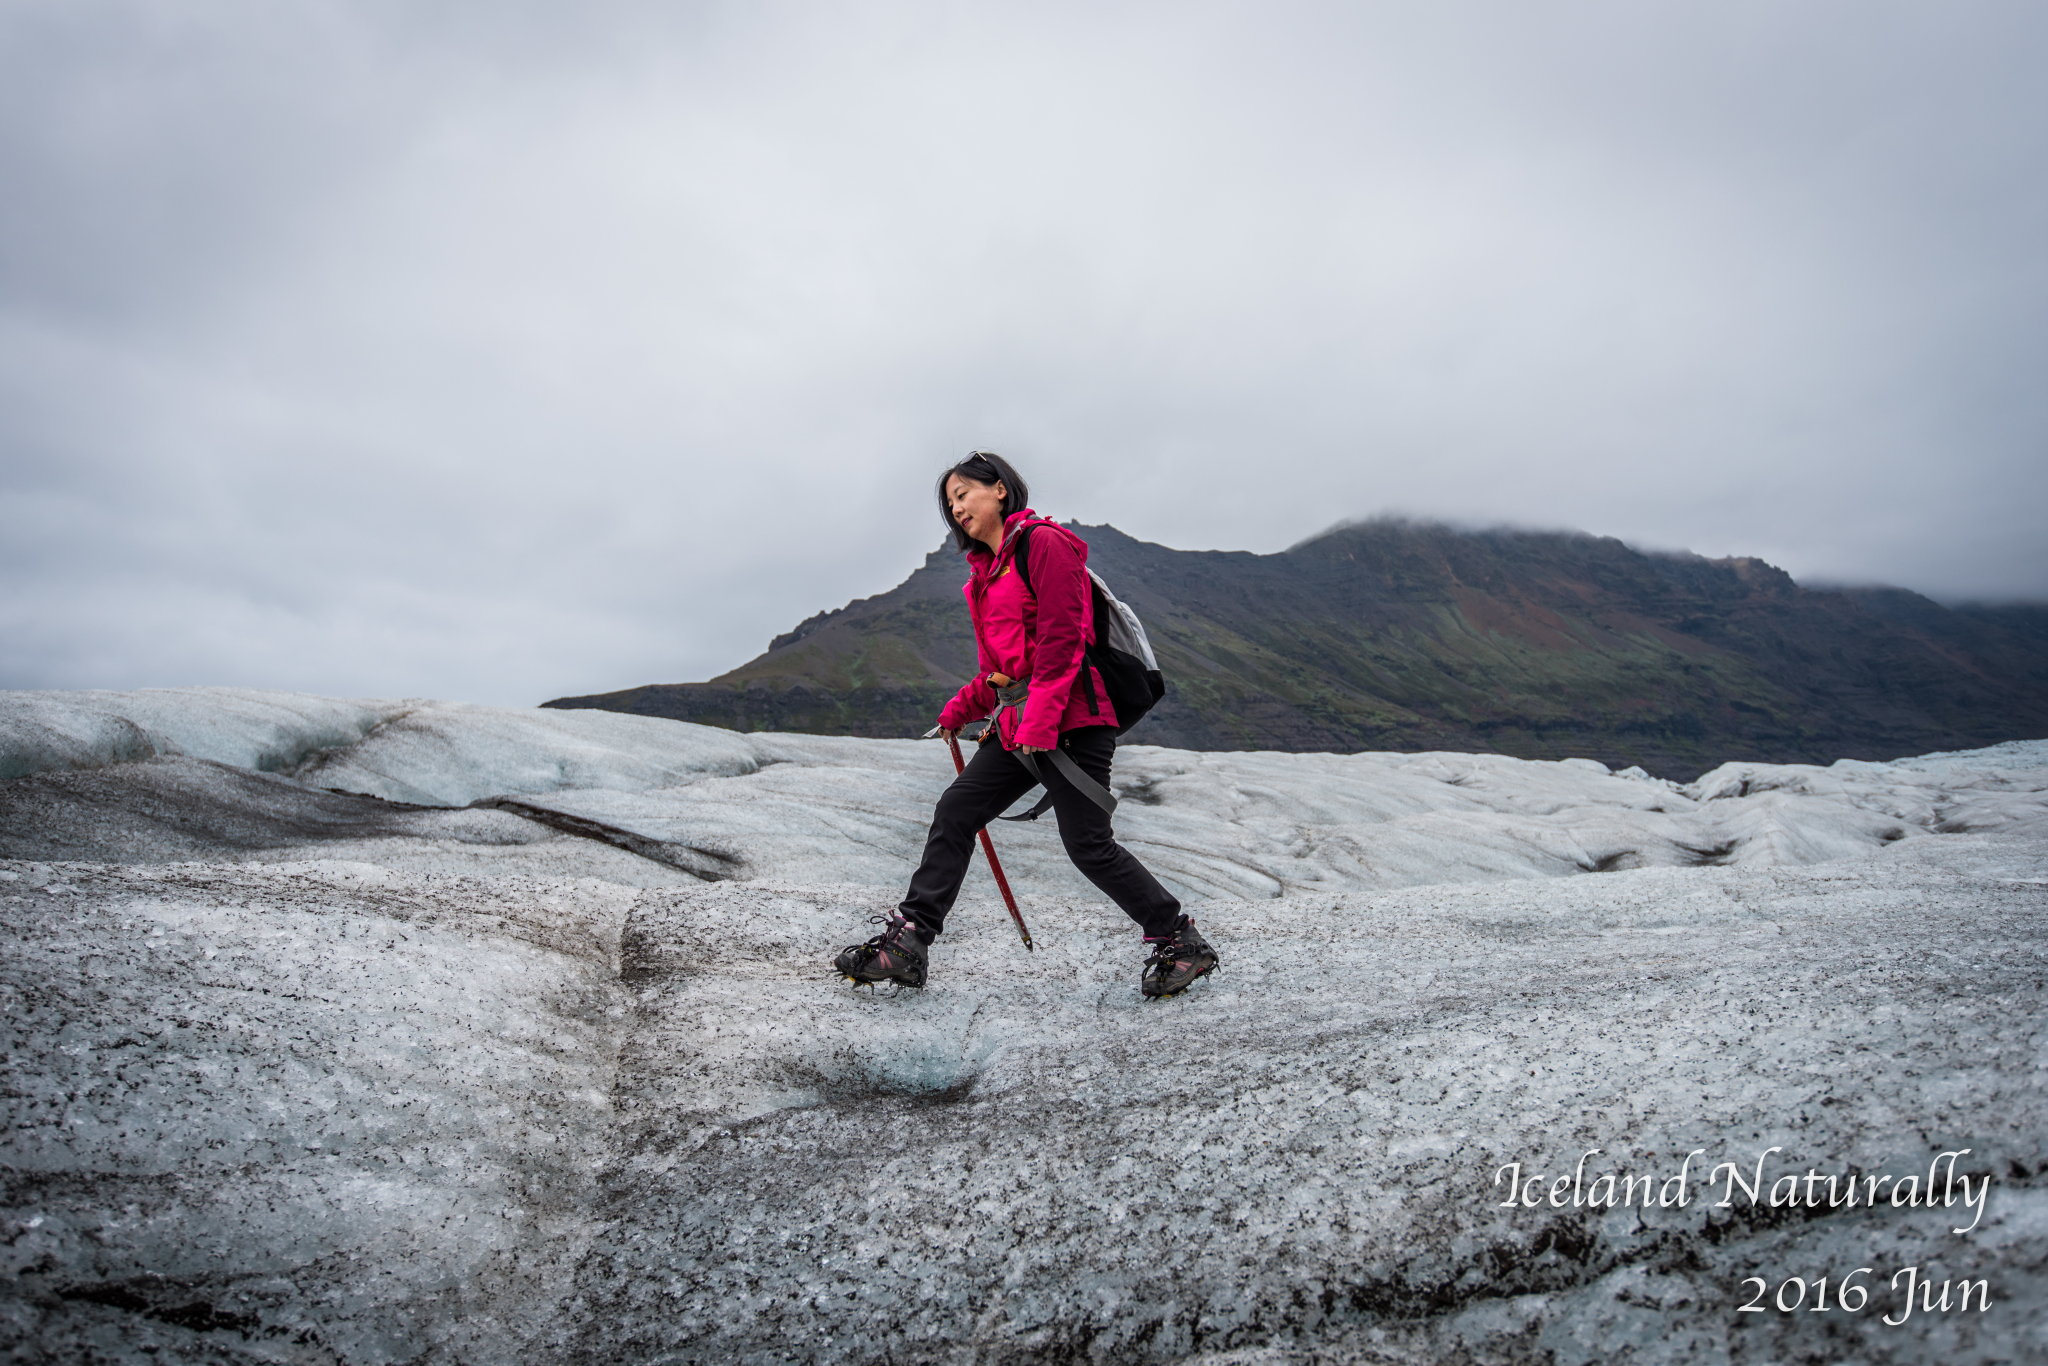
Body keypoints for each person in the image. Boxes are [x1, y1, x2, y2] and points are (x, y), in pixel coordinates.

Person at [834, 451, 1218, 999]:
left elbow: (1063, 644)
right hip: (1020, 724)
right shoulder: (984, 578)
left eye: (964, 493)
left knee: (1088, 845)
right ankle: (910, 941)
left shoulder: (1045, 545)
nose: (956, 508)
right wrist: (961, 708)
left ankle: (1181, 940)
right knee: (957, 810)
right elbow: (1006, 671)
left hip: (1075, 719)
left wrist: (1039, 724)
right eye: (949, 503)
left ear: (1000, 490)